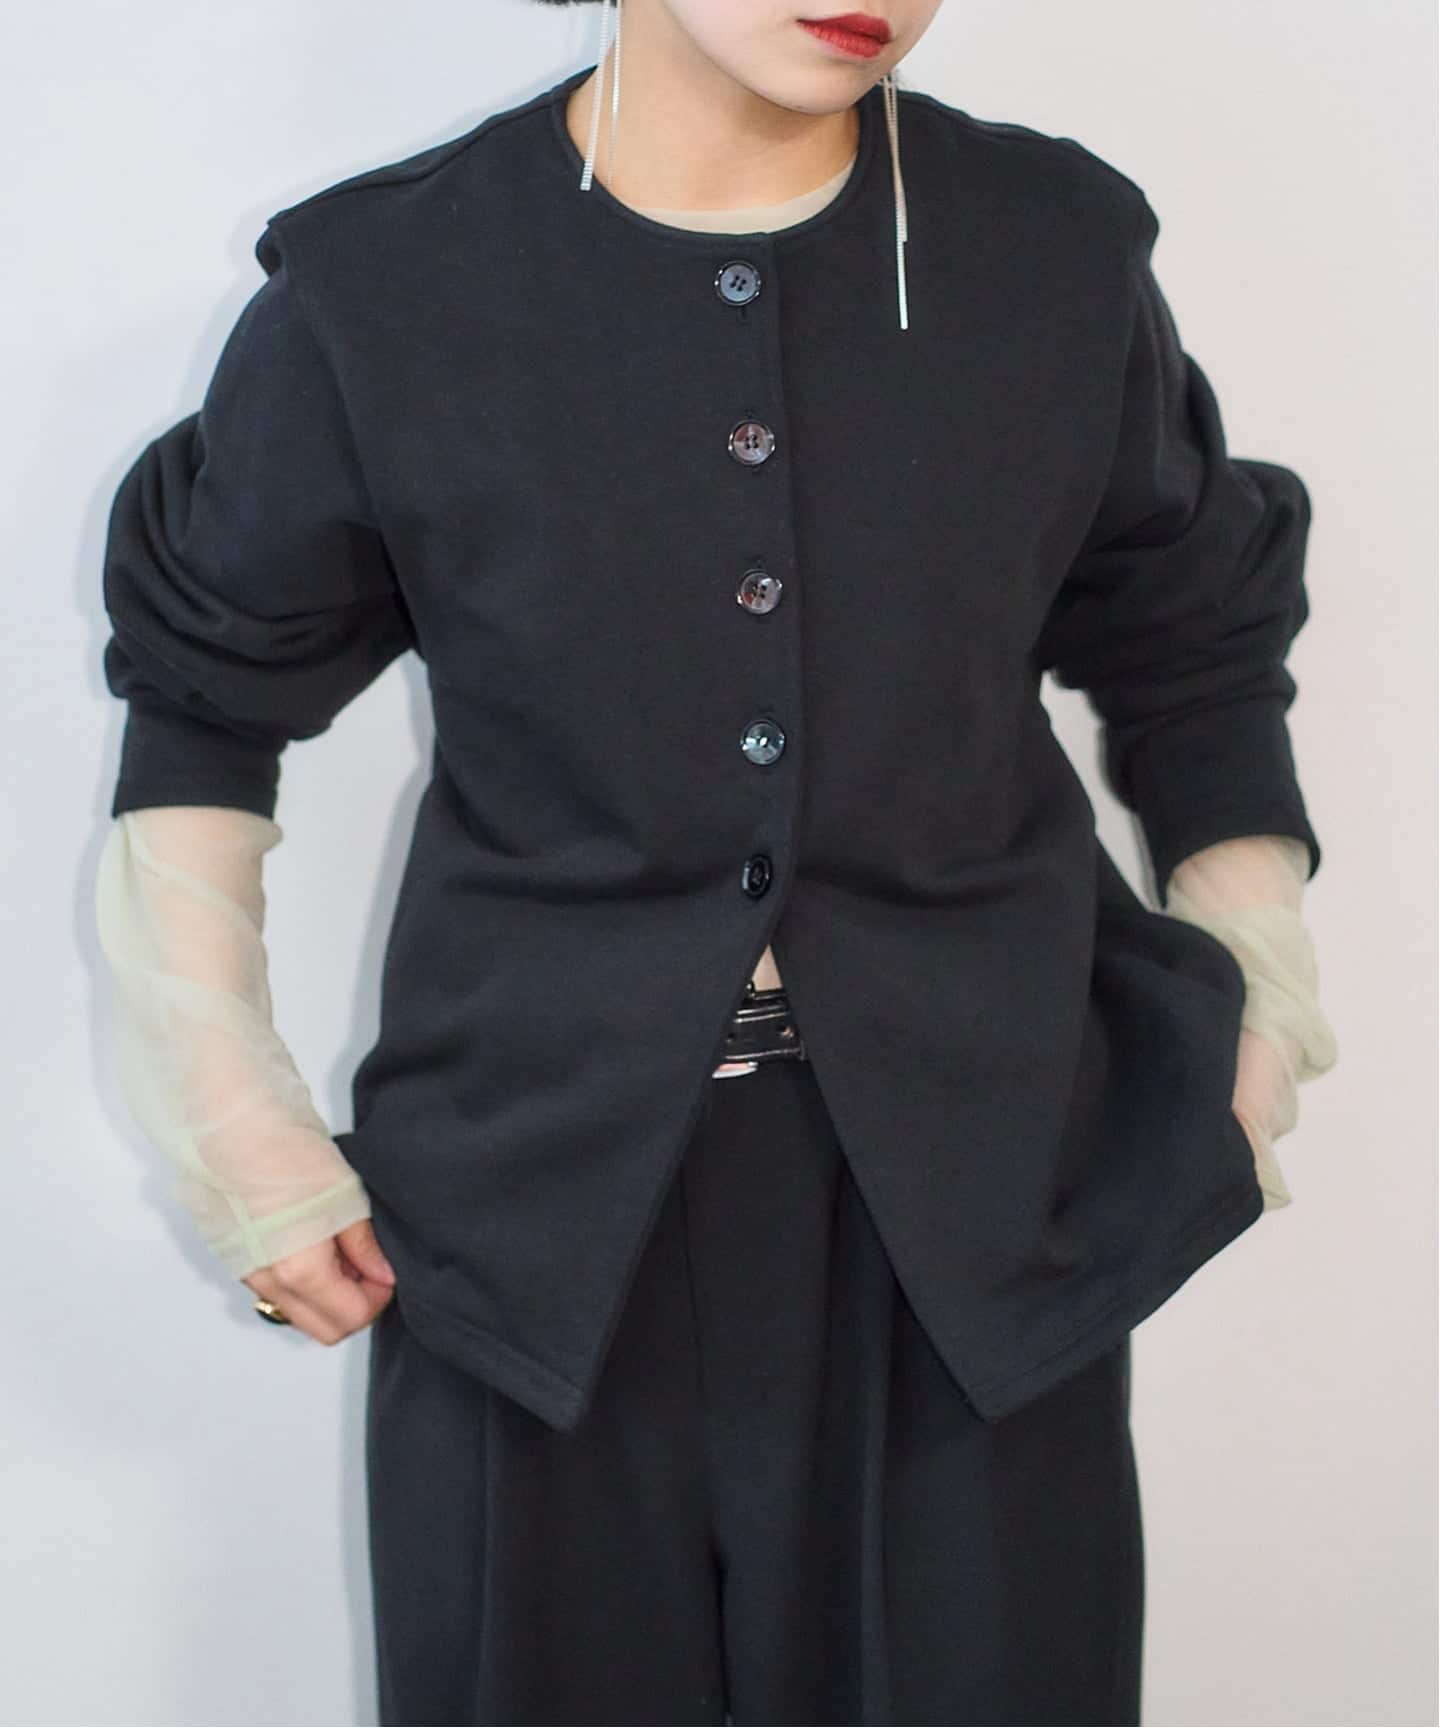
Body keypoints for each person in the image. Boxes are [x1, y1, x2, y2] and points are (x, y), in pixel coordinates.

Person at [93, 2, 1340, 1721]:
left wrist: (1265, 1006)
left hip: (984, 1220)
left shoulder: (1051, 246)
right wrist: (233, 1121)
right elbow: (205, 701)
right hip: (536, 1232)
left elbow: (1191, 638)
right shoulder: (387, 285)